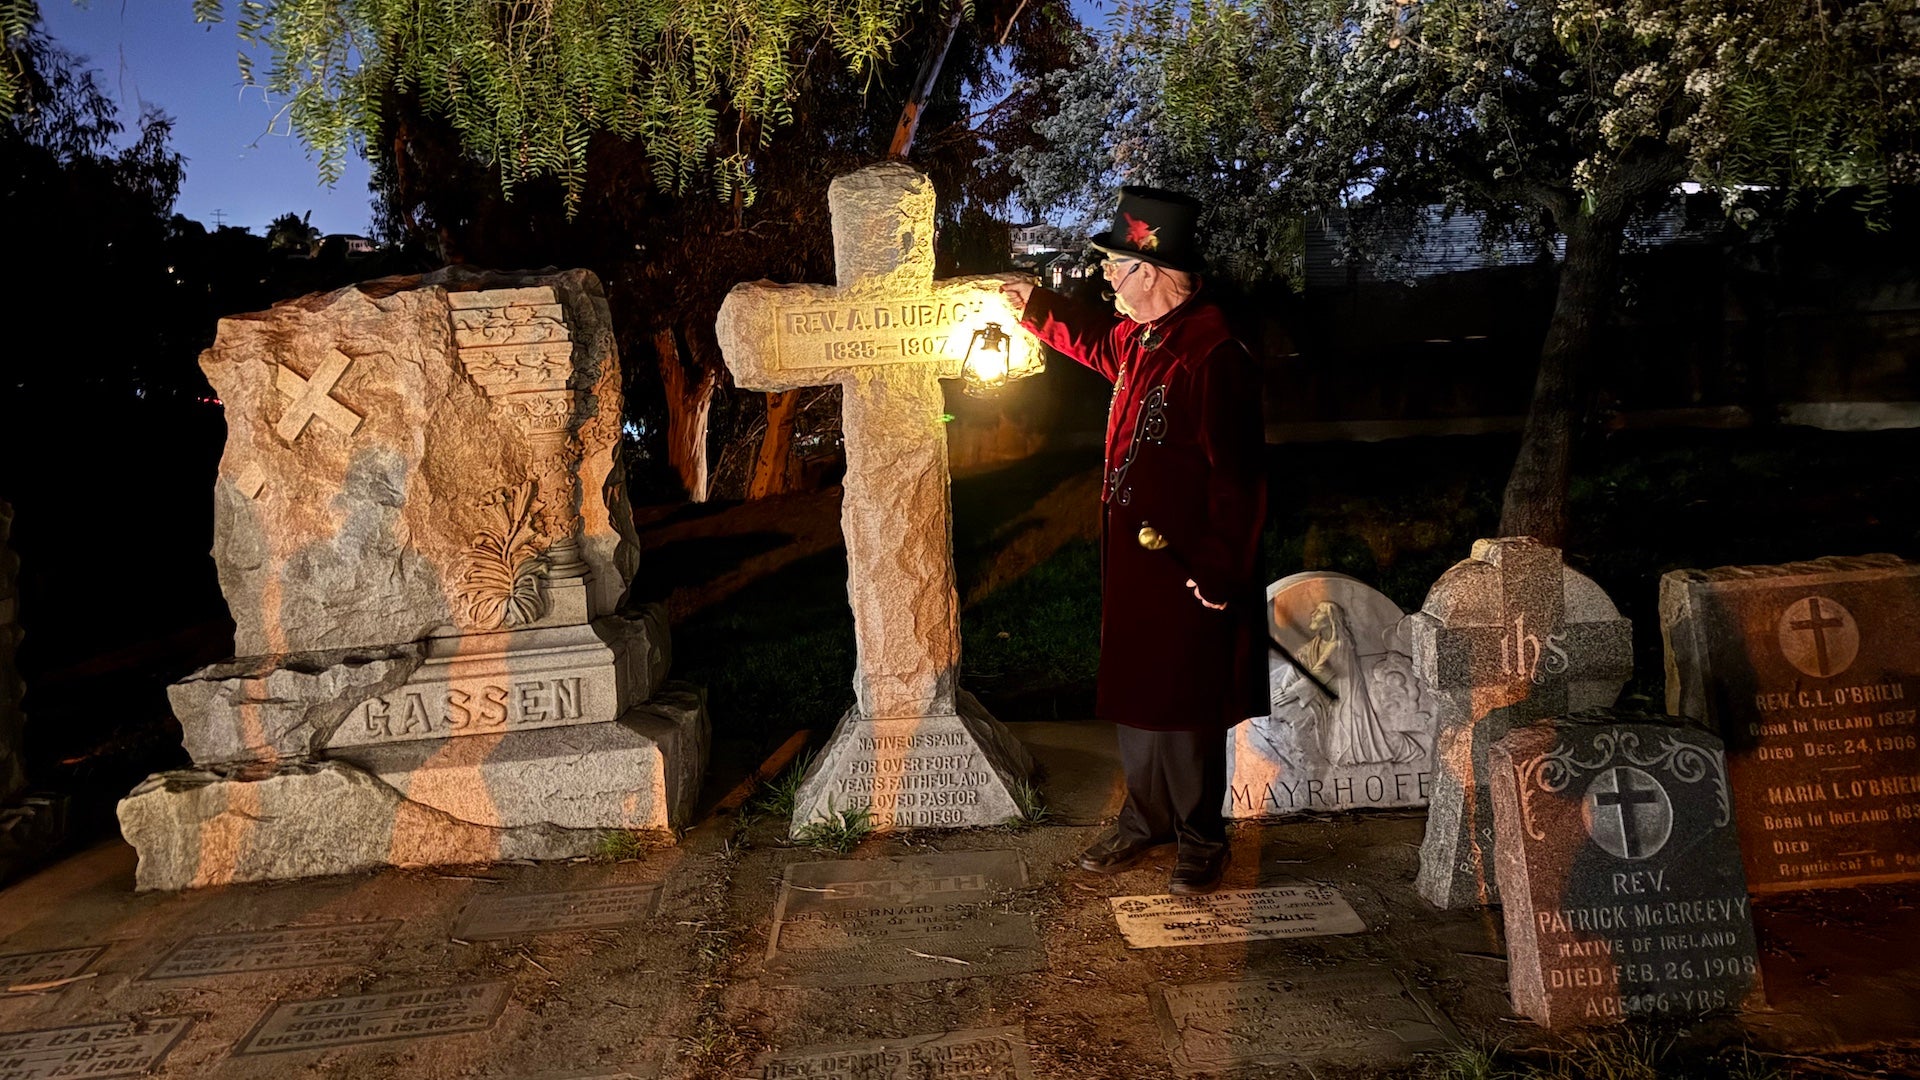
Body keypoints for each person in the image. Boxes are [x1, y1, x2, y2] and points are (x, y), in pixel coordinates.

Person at [1000, 187, 1267, 895]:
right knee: (1140, 691)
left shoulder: (1212, 353)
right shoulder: (1144, 339)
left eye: (1116, 266)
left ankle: (1200, 836)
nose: (1107, 279)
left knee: (1185, 701)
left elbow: (1239, 479)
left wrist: (1218, 569)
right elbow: (1092, 341)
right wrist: (1032, 309)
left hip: (1187, 565)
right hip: (1135, 561)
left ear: (1150, 271)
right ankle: (1145, 818)